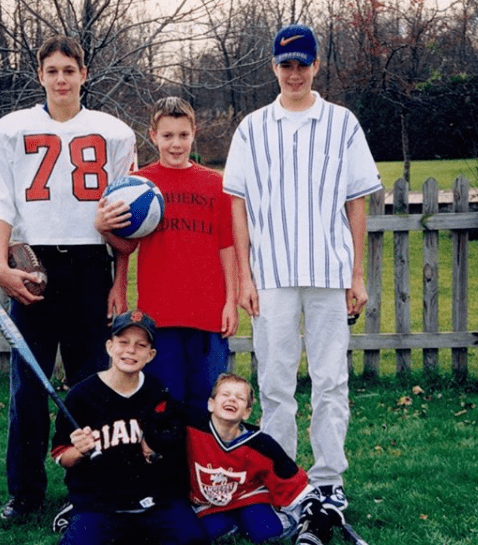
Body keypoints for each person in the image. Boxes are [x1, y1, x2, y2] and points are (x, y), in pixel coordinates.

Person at [223, 24, 384, 511]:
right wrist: (245, 278)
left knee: (332, 379)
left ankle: (330, 477)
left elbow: (357, 202)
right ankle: (282, 478)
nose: (294, 73)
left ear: (316, 66)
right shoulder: (252, 127)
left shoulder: (342, 123)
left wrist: (356, 274)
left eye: (302, 64)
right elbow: (238, 204)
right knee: (275, 381)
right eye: (285, 64)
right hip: (271, 275)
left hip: (329, 273)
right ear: (274, 66)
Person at [0, 35, 136, 520]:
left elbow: (125, 215)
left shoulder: (114, 132)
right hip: (35, 266)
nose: (62, 79)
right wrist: (0, 264)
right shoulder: (7, 130)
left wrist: (119, 280)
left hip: (91, 266)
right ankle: (24, 493)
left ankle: (86, 487)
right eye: (53, 71)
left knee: (92, 385)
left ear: (84, 75)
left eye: (70, 70)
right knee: (28, 387)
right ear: (40, 75)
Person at [94, 97, 238, 413]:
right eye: (168, 135)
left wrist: (230, 301)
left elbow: (227, 247)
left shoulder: (216, 184)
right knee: (166, 403)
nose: (176, 144)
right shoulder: (137, 185)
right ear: (153, 135)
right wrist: (119, 285)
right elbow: (126, 244)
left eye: (183, 135)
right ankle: (168, 463)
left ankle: (205, 463)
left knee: (208, 401)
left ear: (194, 133)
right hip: (160, 313)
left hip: (209, 312)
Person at [51, 310, 208, 545]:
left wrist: (157, 450)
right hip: (99, 504)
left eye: (140, 345)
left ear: (151, 354)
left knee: (193, 540)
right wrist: (78, 450)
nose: (130, 350)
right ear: (109, 346)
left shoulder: (159, 394)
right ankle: (77, 515)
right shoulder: (81, 396)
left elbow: (172, 452)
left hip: (153, 503)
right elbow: (61, 455)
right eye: (123, 342)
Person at [186, 373, 343, 545]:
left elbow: (289, 478)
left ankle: (306, 521)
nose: (231, 400)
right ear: (211, 404)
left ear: (246, 412)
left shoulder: (260, 444)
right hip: (208, 505)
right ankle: (232, 524)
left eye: (239, 398)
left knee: (267, 532)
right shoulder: (192, 430)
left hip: (249, 498)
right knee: (210, 534)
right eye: (225, 395)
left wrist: (312, 505)